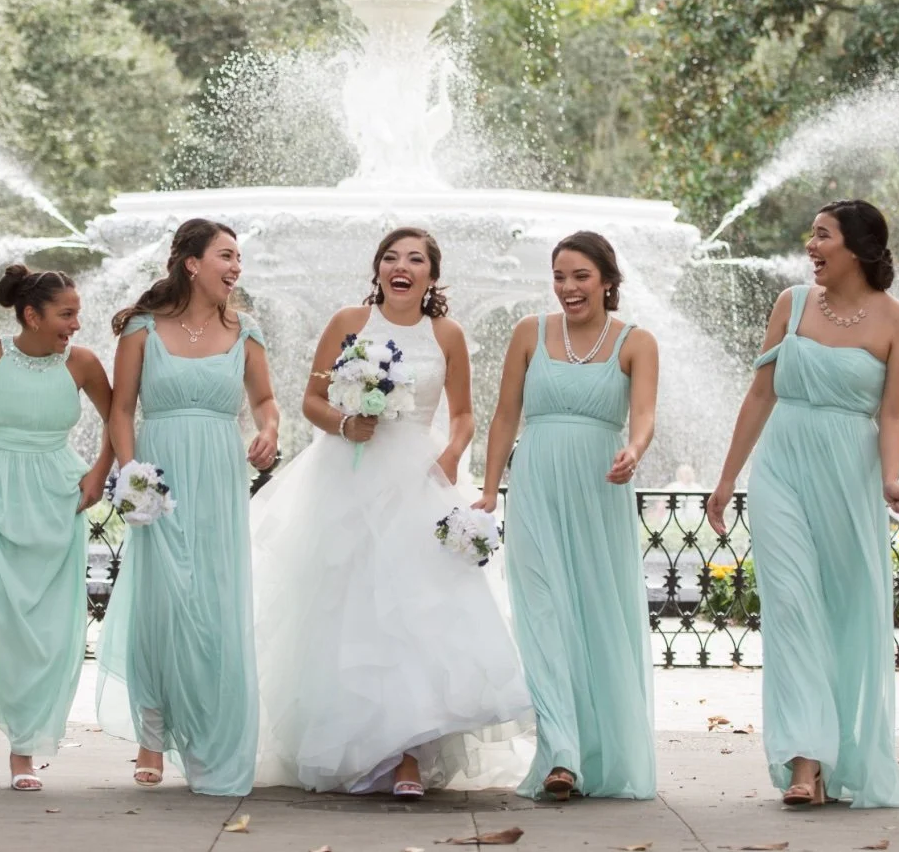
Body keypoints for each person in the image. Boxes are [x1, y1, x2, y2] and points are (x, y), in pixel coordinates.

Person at [252, 227, 531, 797]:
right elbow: (311, 400)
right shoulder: (348, 322)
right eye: (390, 257)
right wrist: (347, 423)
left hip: (416, 477)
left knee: (415, 610)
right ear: (378, 268)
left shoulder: (447, 333)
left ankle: (408, 756)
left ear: (431, 275)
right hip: (345, 474)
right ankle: (352, 744)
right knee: (345, 610)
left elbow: (463, 415)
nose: (400, 266)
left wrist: (453, 453)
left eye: (415, 259)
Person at [706, 200, 899, 810]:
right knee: (793, 608)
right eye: (811, 236)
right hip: (781, 469)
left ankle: (839, 754)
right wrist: (727, 480)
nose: (811, 246)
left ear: (856, 247)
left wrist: (891, 478)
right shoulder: (791, 305)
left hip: (849, 475)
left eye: (822, 236)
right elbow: (760, 394)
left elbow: (896, 412)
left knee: (844, 615)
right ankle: (805, 762)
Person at [97, 219, 280, 796]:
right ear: (192, 263)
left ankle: (209, 733)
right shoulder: (142, 330)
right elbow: (121, 410)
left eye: (239, 258)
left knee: (213, 602)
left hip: (220, 477)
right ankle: (152, 733)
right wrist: (131, 474)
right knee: (161, 600)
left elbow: (266, 401)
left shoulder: (246, 331)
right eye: (226, 255)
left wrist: (270, 430)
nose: (236, 267)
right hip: (160, 475)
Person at [477, 230, 659, 800]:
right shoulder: (529, 333)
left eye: (580, 276)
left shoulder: (637, 341)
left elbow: (645, 416)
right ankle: (560, 755)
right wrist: (488, 490)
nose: (568, 288)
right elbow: (506, 416)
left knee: (596, 616)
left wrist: (635, 449)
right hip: (535, 486)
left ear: (607, 280)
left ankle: (598, 749)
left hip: (600, 489)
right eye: (559, 276)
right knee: (542, 614)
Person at [0, 265, 114, 792]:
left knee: (40, 633)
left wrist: (98, 473)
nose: (76, 325)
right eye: (67, 315)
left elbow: (120, 418)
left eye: (77, 314)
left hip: (55, 500)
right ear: (32, 315)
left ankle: (24, 749)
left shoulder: (82, 363)